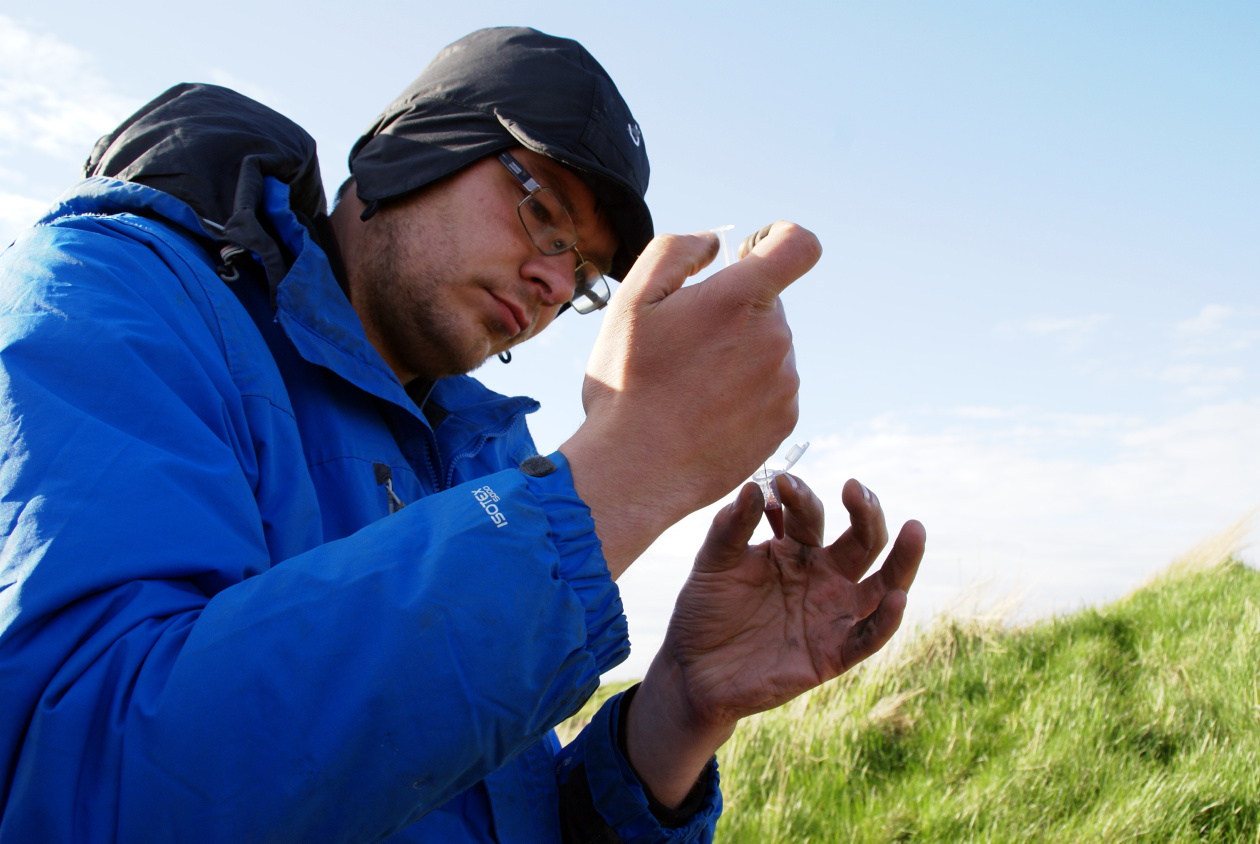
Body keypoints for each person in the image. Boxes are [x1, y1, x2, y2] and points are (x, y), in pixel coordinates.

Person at [0, 26, 925, 844]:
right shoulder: (114, 295)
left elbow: (464, 810)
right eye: (543, 212)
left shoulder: (476, 457)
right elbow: (89, 784)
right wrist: (624, 470)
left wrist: (683, 708)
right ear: (410, 148)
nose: (556, 285)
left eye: (587, 272)